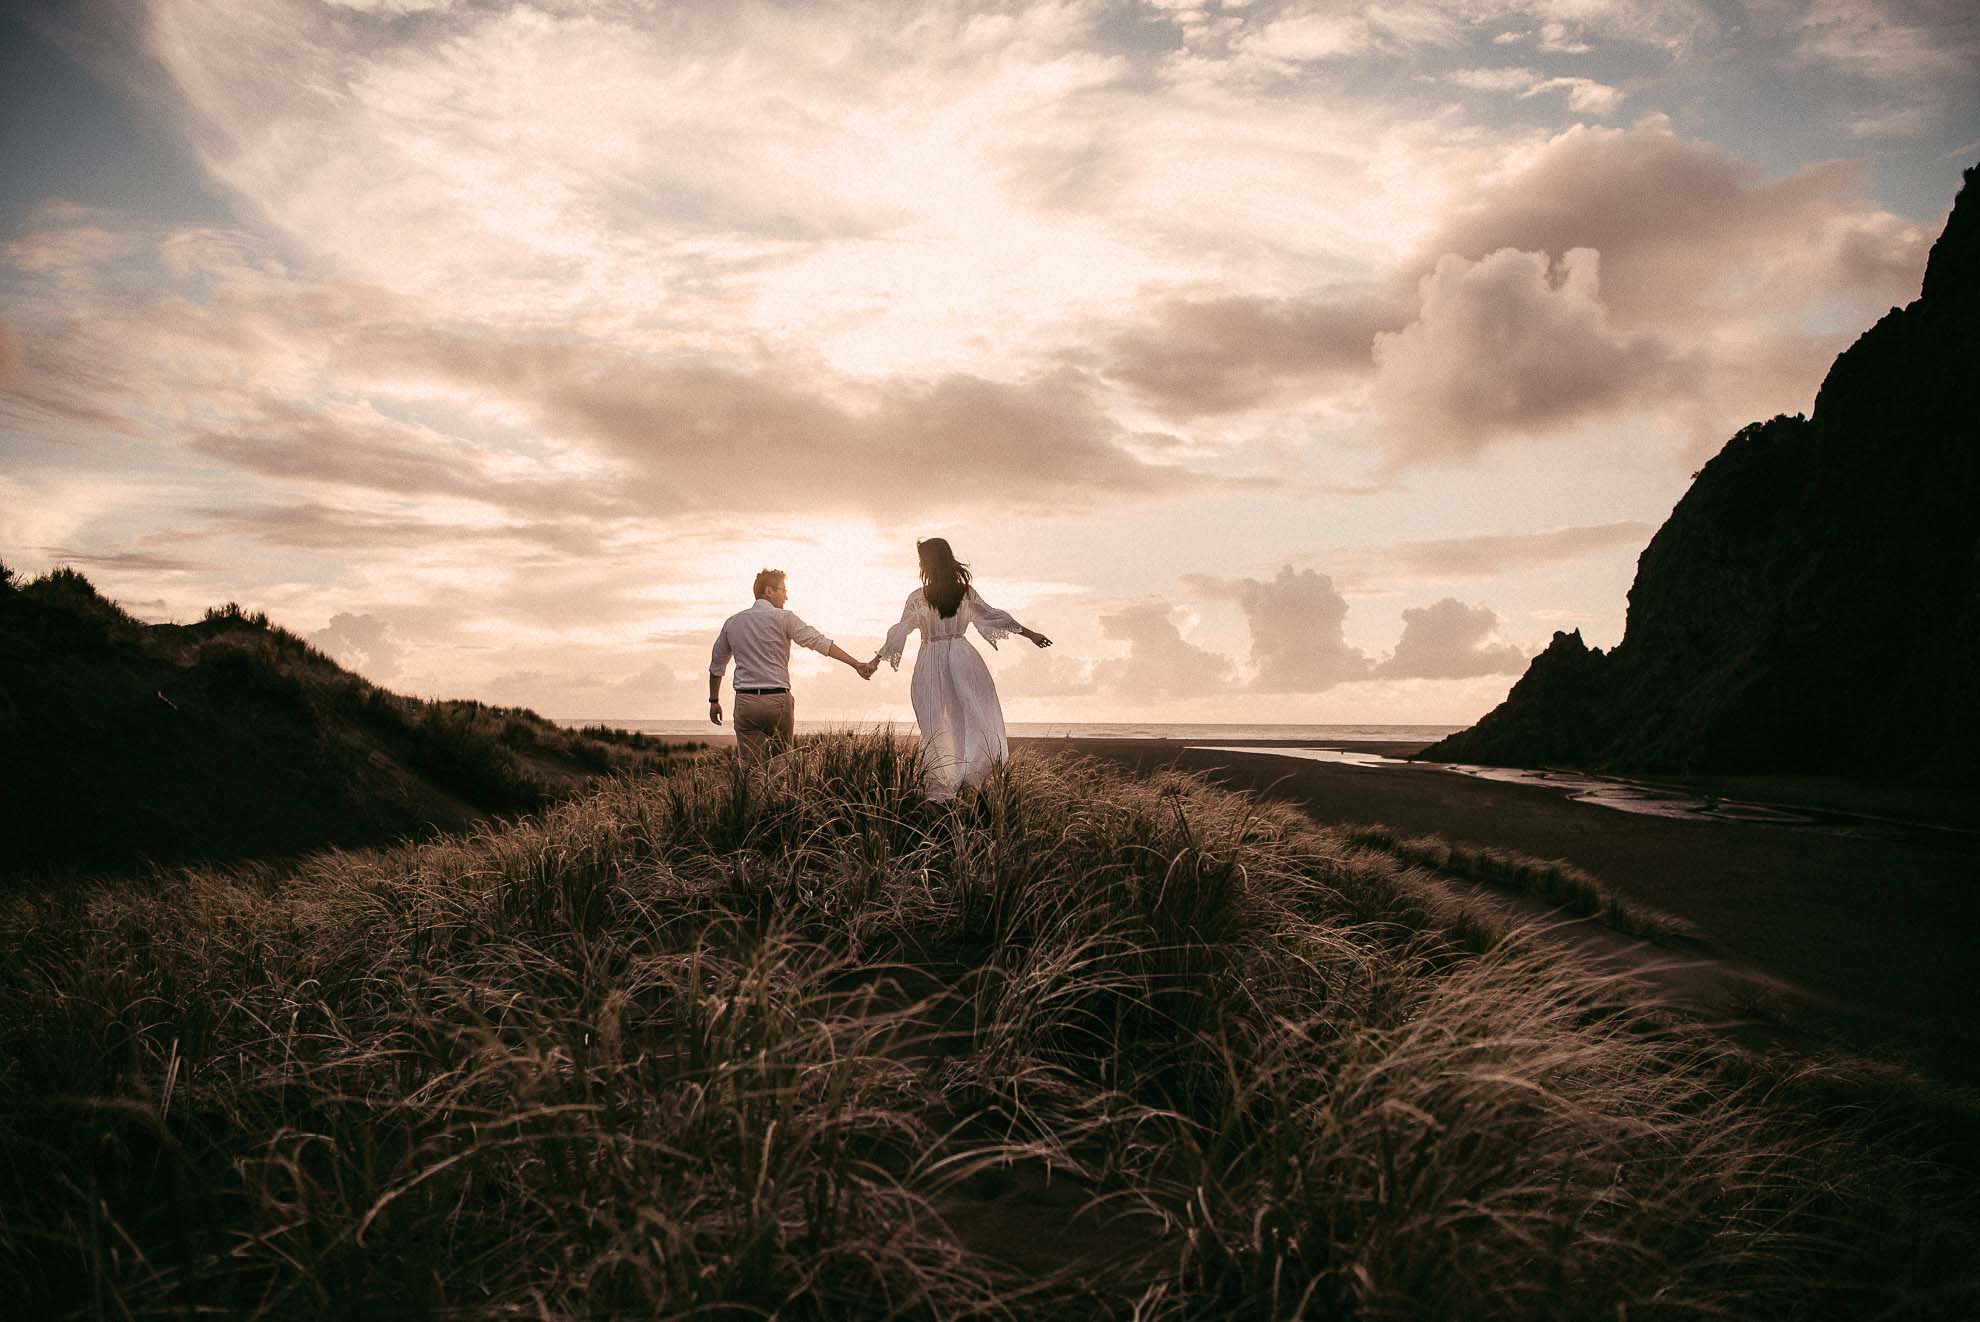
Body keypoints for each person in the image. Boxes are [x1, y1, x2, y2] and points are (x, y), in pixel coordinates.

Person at [871, 538, 1051, 799]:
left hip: (933, 661)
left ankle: (946, 790)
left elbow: (900, 632)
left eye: (921, 558)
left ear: (929, 562)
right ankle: (962, 785)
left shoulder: (920, 598)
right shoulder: (960, 593)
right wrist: (1030, 634)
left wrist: (875, 661)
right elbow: (993, 615)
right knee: (969, 719)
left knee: (939, 724)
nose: (919, 563)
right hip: (963, 658)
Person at [709, 568, 876, 780]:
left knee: (751, 771)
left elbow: (717, 666)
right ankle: (778, 810)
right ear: (769, 591)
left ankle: (755, 812)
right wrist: (855, 663)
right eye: (783, 590)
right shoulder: (784, 618)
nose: (786, 596)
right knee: (781, 769)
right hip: (777, 700)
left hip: (746, 702)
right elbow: (818, 641)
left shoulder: (733, 622)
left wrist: (714, 700)